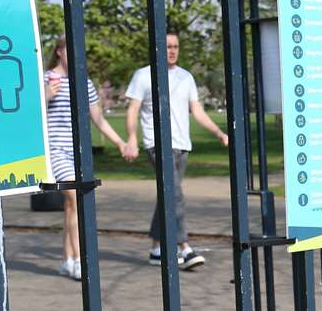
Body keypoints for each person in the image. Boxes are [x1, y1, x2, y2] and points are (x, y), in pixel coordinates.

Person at [123, 33, 228, 270]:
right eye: (168, 46)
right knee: (175, 195)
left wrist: (219, 133)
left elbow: (197, 111)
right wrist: (131, 138)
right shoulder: (143, 75)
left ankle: (156, 248)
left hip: (182, 145)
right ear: (158, 48)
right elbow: (133, 110)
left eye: (176, 46)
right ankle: (185, 247)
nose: (172, 50)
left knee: (168, 196)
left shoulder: (186, 77)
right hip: (157, 144)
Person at [43, 40, 129, 281]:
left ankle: (66, 260)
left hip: (78, 153)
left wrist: (120, 143)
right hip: (55, 150)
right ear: (60, 51)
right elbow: (32, 113)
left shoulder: (85, 83)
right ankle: (81, 261)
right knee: (76, 198)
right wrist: (47, 96)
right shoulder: (47, 78)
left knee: (72, 205)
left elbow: (98, 119)